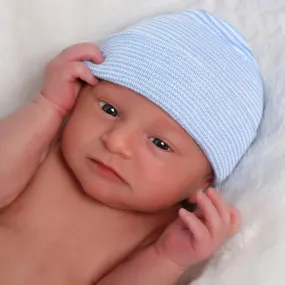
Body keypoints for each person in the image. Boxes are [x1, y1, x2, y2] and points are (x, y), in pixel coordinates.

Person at [0, 9, 263, 284]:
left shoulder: (164, 234)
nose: (116, 142)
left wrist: (166, 260)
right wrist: (47, 107)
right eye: (109, 109)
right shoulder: (45, 148)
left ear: (202, 184)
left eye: (160, 143)